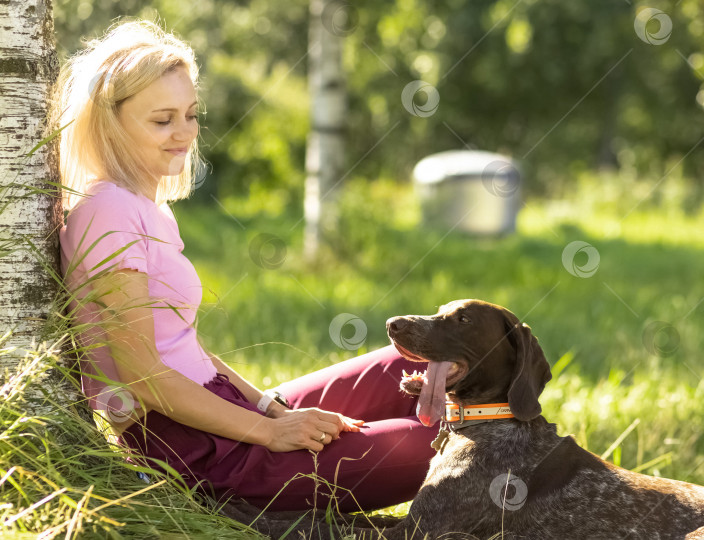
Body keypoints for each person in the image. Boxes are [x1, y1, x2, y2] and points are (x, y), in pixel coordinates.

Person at [54, 18, 439, 513]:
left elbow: (183, 346)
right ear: (111, 121)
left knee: (414, 365)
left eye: (191, 115)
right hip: (191, 449)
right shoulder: (107, 210)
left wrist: (268, 406)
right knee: (431, 448)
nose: (184, 134)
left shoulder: (147, 207)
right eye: (162, 120)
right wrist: (272, 433)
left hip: (217, 409)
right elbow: (143, 378)